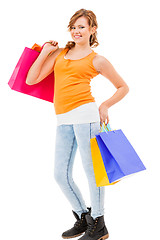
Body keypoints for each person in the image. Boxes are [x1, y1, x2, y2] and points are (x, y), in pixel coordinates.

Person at [26, 8, 129, 240]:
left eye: (81, 26)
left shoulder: (97, 60)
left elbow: (123, 87)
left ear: (93, 29)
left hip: (86, 116)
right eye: (73, 27)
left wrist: (105, 106)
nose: (76, 31)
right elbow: (31, 79)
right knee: (60, 174)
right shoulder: (61, 53)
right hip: (63, 119)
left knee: (92, 172)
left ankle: (100, 223)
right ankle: (84, 217)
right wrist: (44, 52)